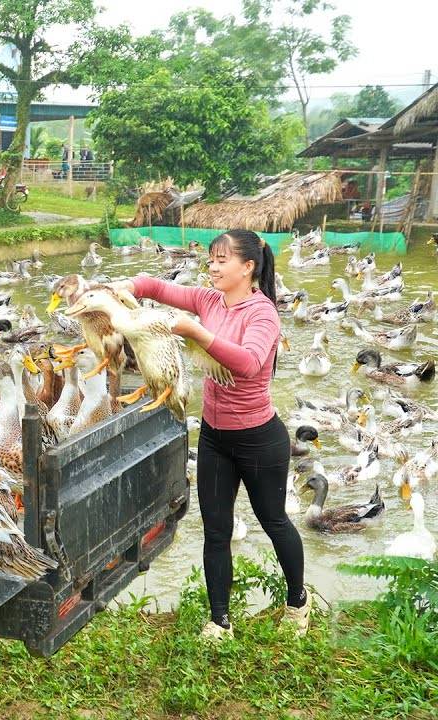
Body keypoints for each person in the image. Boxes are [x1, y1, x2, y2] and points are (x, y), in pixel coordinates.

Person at [110, 230, 308, 640]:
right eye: (211, 259)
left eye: (222, 260)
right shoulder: (209, 300)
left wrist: (197, 333)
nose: (213, 266)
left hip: (259, 438)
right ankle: (220, 620)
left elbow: (250, 364)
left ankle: (297, 602)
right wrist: (127, 286)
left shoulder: (262, 313)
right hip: (215, 438)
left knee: (273, 521)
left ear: (248, 267)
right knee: (216, 531)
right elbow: (157, 287)